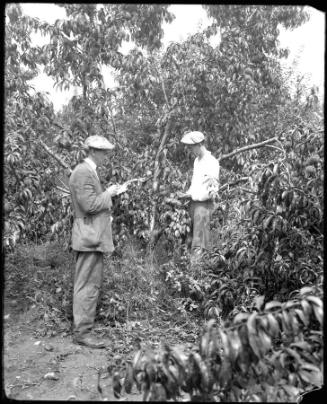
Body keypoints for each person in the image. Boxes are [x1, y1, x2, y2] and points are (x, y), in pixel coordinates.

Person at [69, 135, 125, 349]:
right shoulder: (83, 172)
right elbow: (90, 205)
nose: (106, 156)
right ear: (92, 151)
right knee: (86, 285)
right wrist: (109, 193)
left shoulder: (87, 171)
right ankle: (82, 332)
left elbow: (93, 203)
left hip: (92, 236)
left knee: (91, 284)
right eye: (103, 152)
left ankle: (85, 328)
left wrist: (109, 194)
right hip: (88, 237)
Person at [178, 131, 220, 257]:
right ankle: (190, 270)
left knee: (199, 242)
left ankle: (197, 271)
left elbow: (212, 188)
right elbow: (195, 184)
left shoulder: (211, 162)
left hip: (203, 205)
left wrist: (194, 195)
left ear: (200, 144)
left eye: (192, 147)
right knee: (191, 239)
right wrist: (187, 194)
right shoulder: (197, 161)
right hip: (194, 204)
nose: (191, 150)